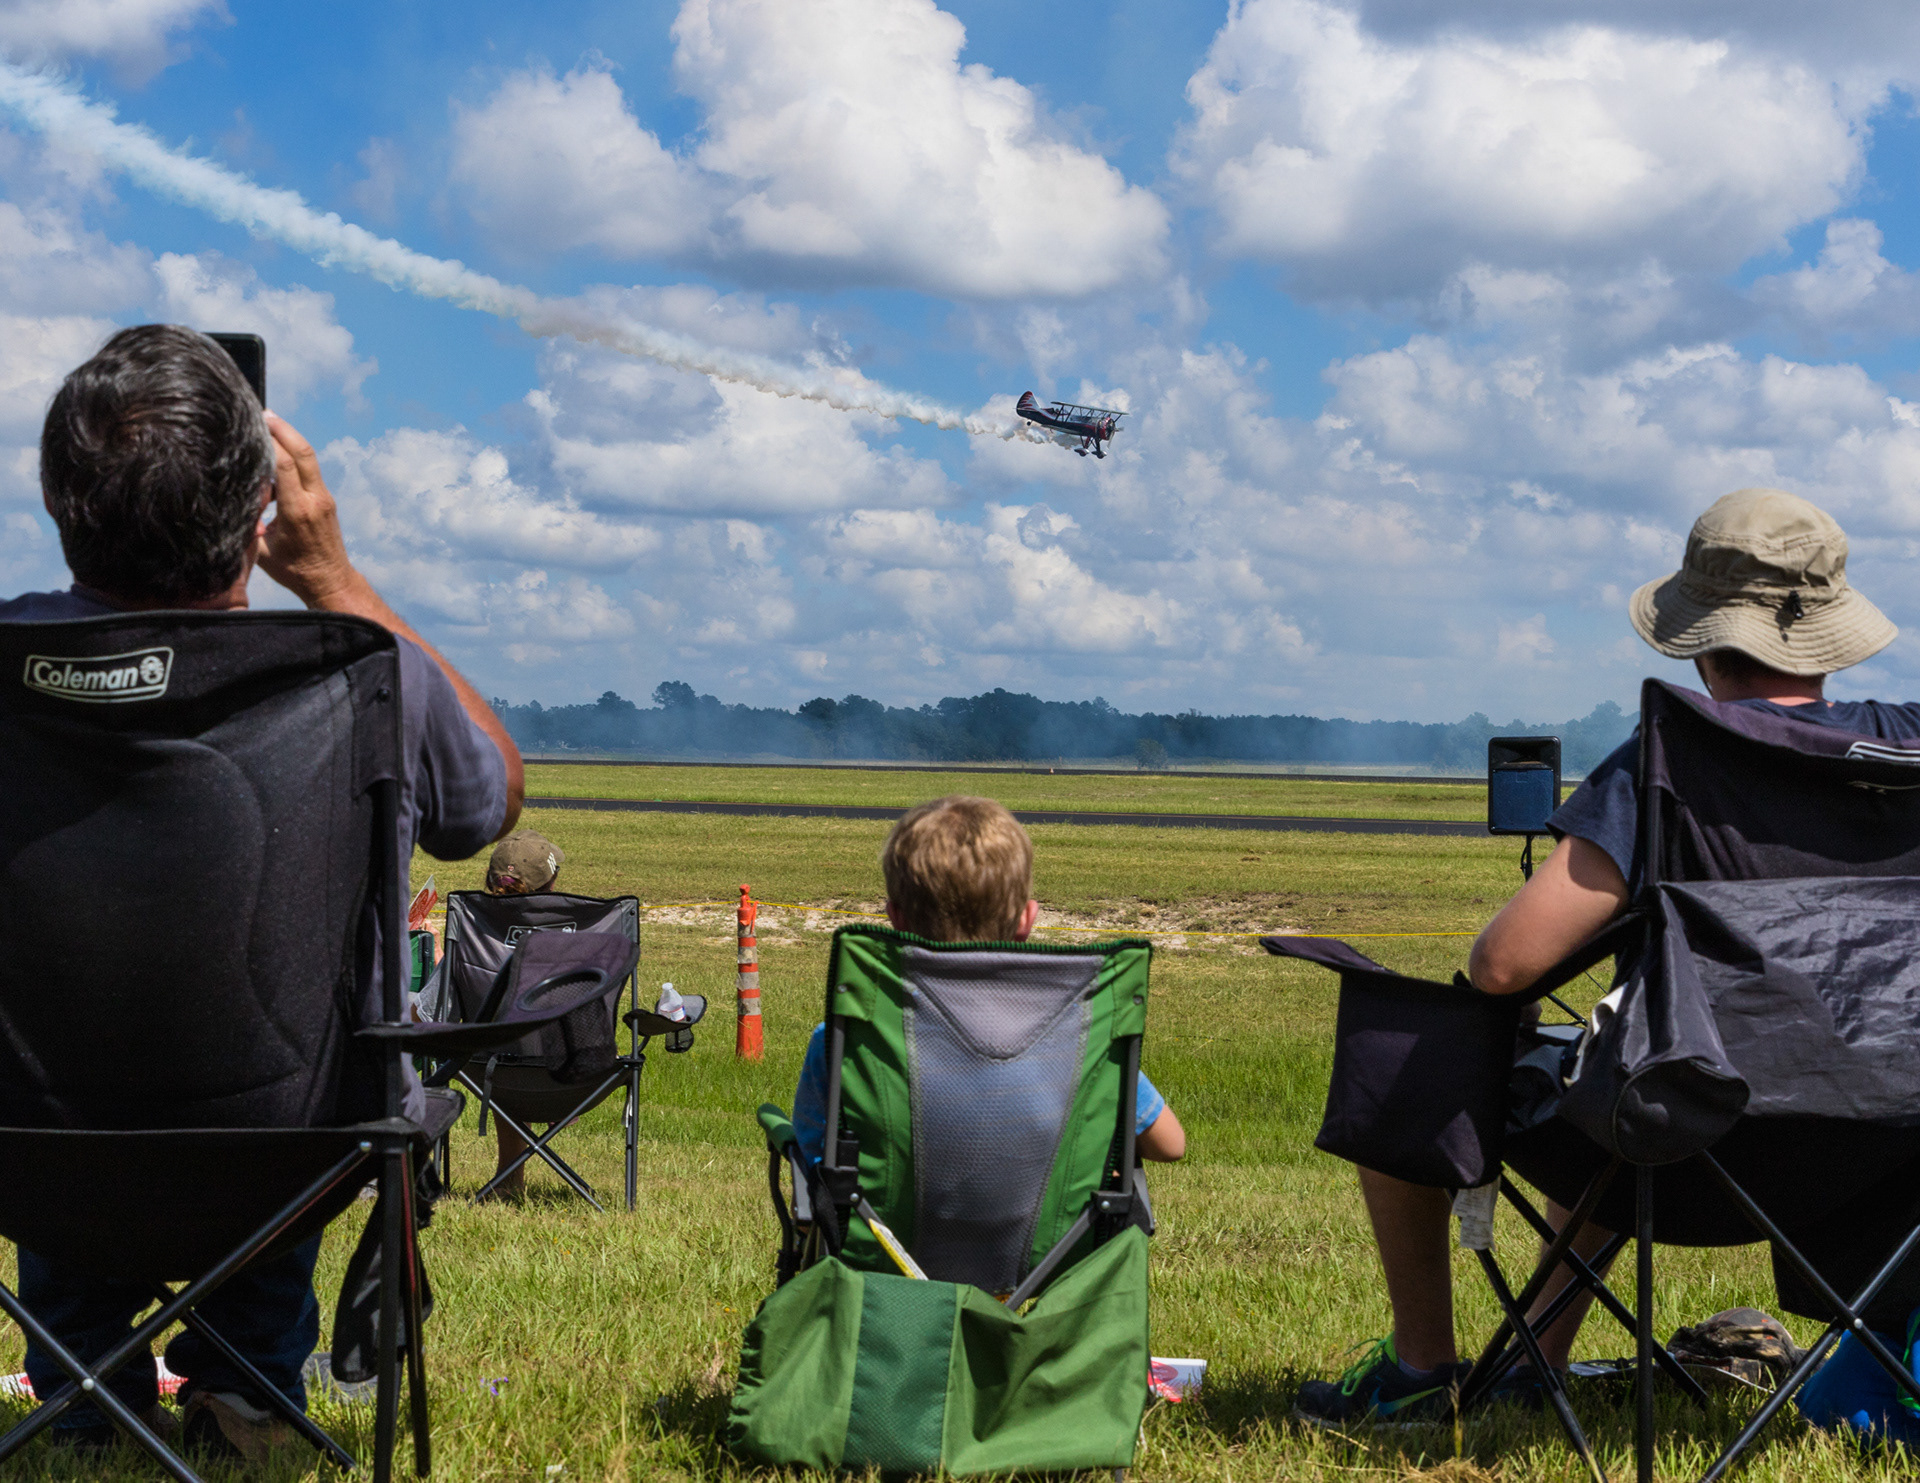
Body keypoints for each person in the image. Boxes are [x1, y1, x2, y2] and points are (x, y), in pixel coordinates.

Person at [1294, 487, 1920, 1428]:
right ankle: (1537, 1357)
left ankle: (1421, 1366)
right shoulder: (1904, 753)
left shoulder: (1681, 756)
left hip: (1687, 1147)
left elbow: (1501, 966)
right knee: (1613, 1054)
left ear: (1702, 639)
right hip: (1882, 1159)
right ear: (1827, 633)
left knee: (1413, 1057)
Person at [9, 325, 523, 1462]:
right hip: (293, 1151)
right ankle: (244, 1388)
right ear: (260, 509)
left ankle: (83, 1394)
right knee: (278, 1027)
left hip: (25, 1147)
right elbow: (486, 805)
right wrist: (333, 578)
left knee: (61, 1025)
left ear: (56, 499)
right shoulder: (346, 663)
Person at [790, 794, 1186, 1169]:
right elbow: (1170, 1145)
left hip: (887, 1242)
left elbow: (815, 1167)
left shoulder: (847, 1038)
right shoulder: (1080, 1031)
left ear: (896, 918)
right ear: (1026, 920)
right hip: (1054, 1243)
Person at [478, 828, 566, 1200]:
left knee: (504, 1045)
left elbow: (428, 1012)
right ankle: (511, 1176)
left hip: (493, 1077)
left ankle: (509, 1175)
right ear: (552, 884)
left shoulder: (474, 938)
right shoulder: (581, 936)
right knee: (519, 1043)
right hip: (575, 1073)